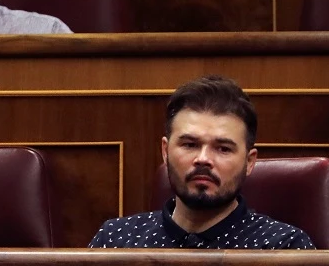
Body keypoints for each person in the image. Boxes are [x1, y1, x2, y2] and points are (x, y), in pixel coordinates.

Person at [89, 75, 314, 249]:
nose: (203, 159)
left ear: (250, 161)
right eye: (189, 145)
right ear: (165, 152)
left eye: (223, 148)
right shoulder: (117, 240)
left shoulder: (284, 248)